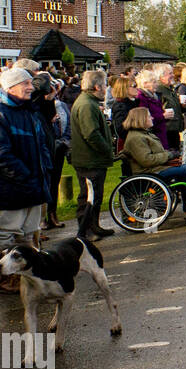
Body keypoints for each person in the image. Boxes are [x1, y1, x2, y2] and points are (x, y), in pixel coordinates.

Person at [0, 67, 53, 292]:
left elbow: (40, 145)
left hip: (32, 185)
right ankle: (3, 279)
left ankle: (21, 275)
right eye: (26, 84)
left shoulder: (27, 110)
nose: (31, 87)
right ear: (10, 87)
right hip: (11, 187)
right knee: (7, 235)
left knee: (28, 234)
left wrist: (44, 169)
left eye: (31, 83)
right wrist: (25, 176)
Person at [121, 107, 186, 221]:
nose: (152, 117)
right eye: (149, 116)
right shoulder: (136, 138)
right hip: (150, 172)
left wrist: (170, 154)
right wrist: (169, 155)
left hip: (156, 169)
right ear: (141, 119)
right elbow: (146, 160)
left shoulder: (143, 134)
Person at [69, 69, 117, 241]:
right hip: (89, 159)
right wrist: (106, 149)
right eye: (104, 85)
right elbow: (91, 134)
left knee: (95, 195)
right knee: (88, 196)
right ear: (97, 86)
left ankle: (94, 226)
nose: (106, 88)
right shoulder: (87, 105)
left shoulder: (88, 102)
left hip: (92, 158)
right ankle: (85, 230)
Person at [42, 75, 70, 231]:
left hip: (59, 148)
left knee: (55, 182)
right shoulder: (41, 107)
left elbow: (69, 124)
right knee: (45, 183)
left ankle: (53, 214)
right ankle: (42, 217)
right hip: (47, 148)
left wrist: (65, 141)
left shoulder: (63, 105)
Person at [133, 69, 169, 149]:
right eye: (154, 82)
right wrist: (163, 116)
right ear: (145, 84)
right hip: (152, 136)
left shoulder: (154, 96)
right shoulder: (141, 98)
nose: (157, 84)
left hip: (160, 133)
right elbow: (145, 118)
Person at [155, 63, 183, 154]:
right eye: (170, 73)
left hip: (174, 129)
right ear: (161, 76)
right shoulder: (159, 91)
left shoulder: (171, 89)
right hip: (166, 130)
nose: (173, 75)